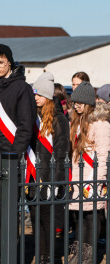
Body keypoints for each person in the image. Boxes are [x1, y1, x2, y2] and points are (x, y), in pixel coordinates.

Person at [67, 81, 110, 263]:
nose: (76, 105)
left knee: (92, 217)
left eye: (80, 103)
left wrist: (97, 180)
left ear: (88, 103)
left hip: (92, 177)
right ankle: (79, 251)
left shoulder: (100, 123)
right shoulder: (78, 122)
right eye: (74, 102)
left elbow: (103, 154)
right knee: (80, 217)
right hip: (79, 176)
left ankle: (88, 256)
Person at [30, 73, 69, 264]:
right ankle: (41, 255)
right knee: (36, 219)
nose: (35, 97)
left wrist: (56, 179)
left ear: (48, 96)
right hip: (33, 175)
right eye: (34, 94)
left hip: (49, 177)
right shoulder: (32, 117)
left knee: (48, 221)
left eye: (39, 94)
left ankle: (49, 257)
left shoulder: (59, 119)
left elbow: (61, 152)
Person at [0, 44, 36, 156]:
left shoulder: (23, 88)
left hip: (15, 153)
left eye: (1, 62)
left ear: (9, 62)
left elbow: (25, 126)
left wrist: (14, 155)